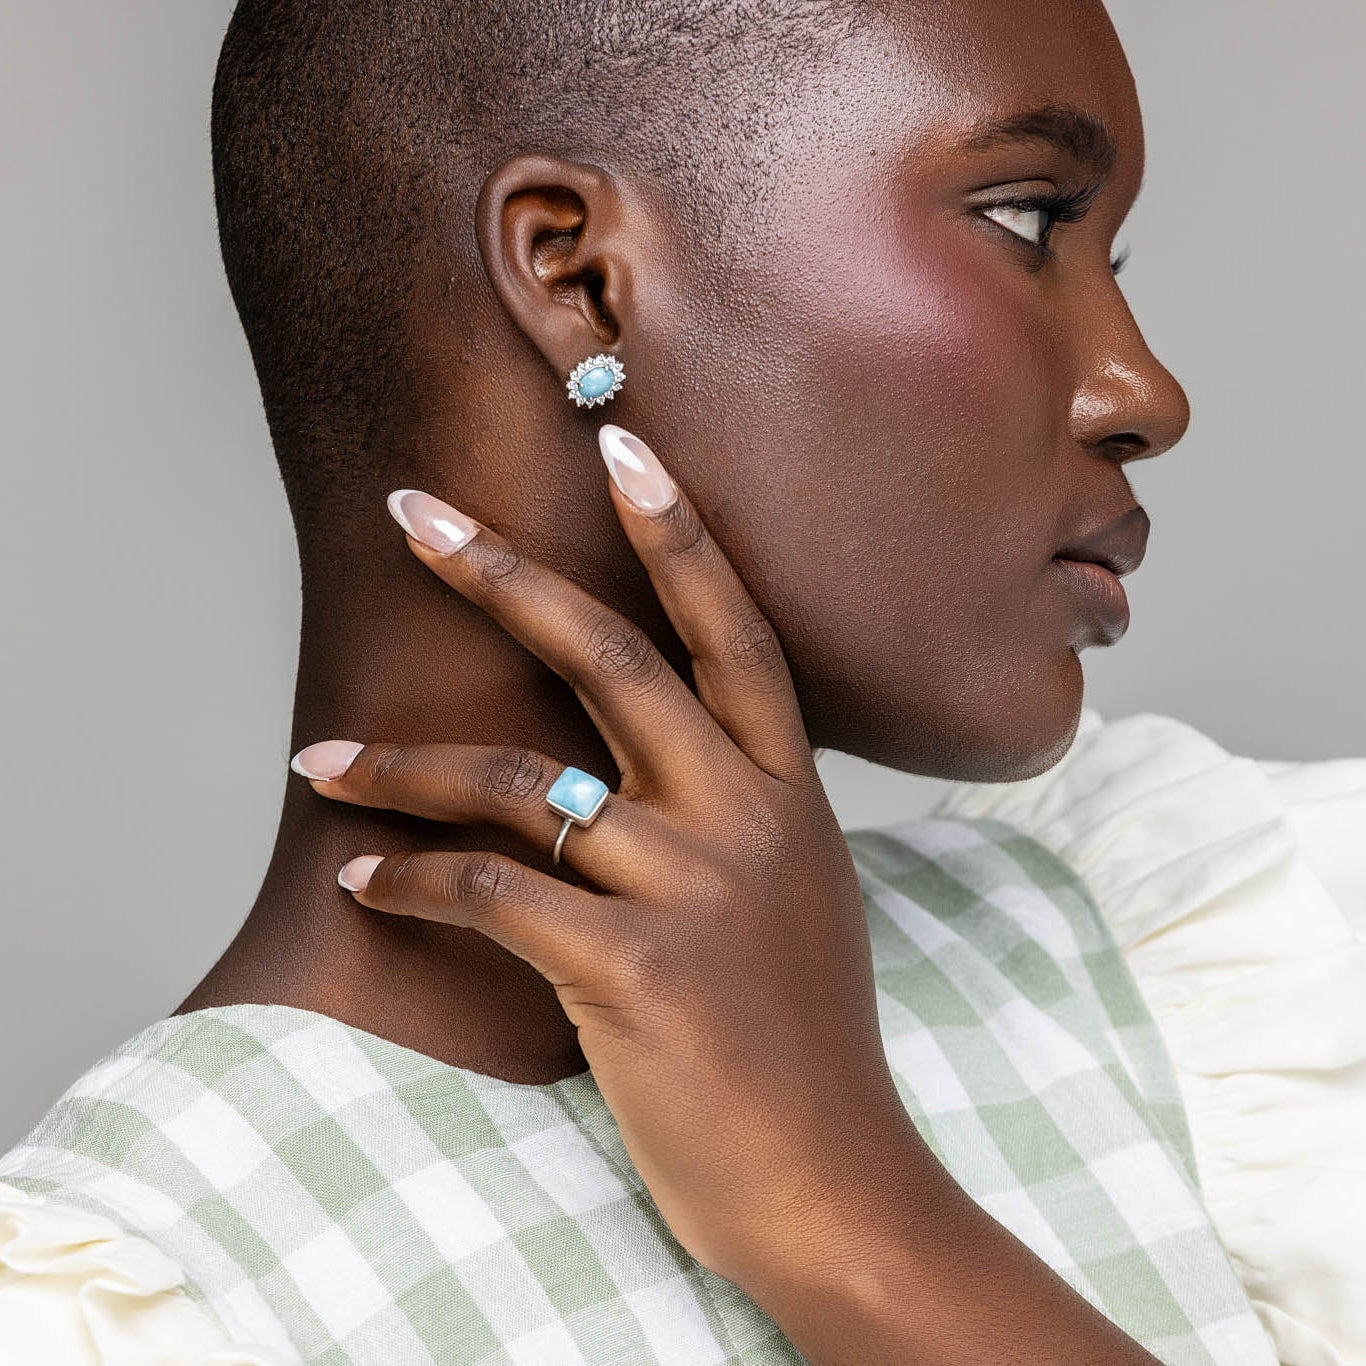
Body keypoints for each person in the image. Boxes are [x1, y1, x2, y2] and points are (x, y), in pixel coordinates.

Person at [2, 0, 1362, 1362]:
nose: (1143, 390)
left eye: (1112, 258)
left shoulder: (1244, 973)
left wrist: (854, 1221)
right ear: (574, 277)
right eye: (1025, 222)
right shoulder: (143, 1305)